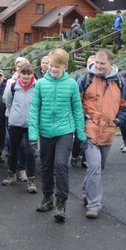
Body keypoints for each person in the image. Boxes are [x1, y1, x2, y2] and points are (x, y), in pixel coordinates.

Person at [28, 48, 86, 222]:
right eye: (51, 66)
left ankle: (61, 202)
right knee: (46, 166)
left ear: (65, 66)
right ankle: (47, 198)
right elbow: (34, 110)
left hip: (64, 131)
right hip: (46, 131)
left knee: (60, 164)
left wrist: (81, 135)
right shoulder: (40, 84)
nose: (53, 69)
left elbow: (77, 110)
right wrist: (33, 136)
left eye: (57, 67)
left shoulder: (71, 84)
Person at [78, 49, 126, 219]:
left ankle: (87, 193)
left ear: (111, 64)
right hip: (90, 130)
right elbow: (75, 103)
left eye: (102, 63)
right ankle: (94, 205)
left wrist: (117, 121)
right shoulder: (85, 79)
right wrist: (84, 120)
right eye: (96, 63)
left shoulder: (120, 83)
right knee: (93, 166)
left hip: (108, 131)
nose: (98, 66)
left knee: (99, 168)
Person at [3, 62, 38, 193]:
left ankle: (31, 180)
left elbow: (39, 104)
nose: (25, 76)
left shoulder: (37, 86)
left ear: (32, 74)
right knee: (14, 151)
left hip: (31, 125)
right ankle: (11, 174)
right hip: (15, 124)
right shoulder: (13, 86)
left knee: (31, 153)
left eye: (28, 74)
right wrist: (14, 116)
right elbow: (9, 103)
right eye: (23, 73)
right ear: (19, 74)